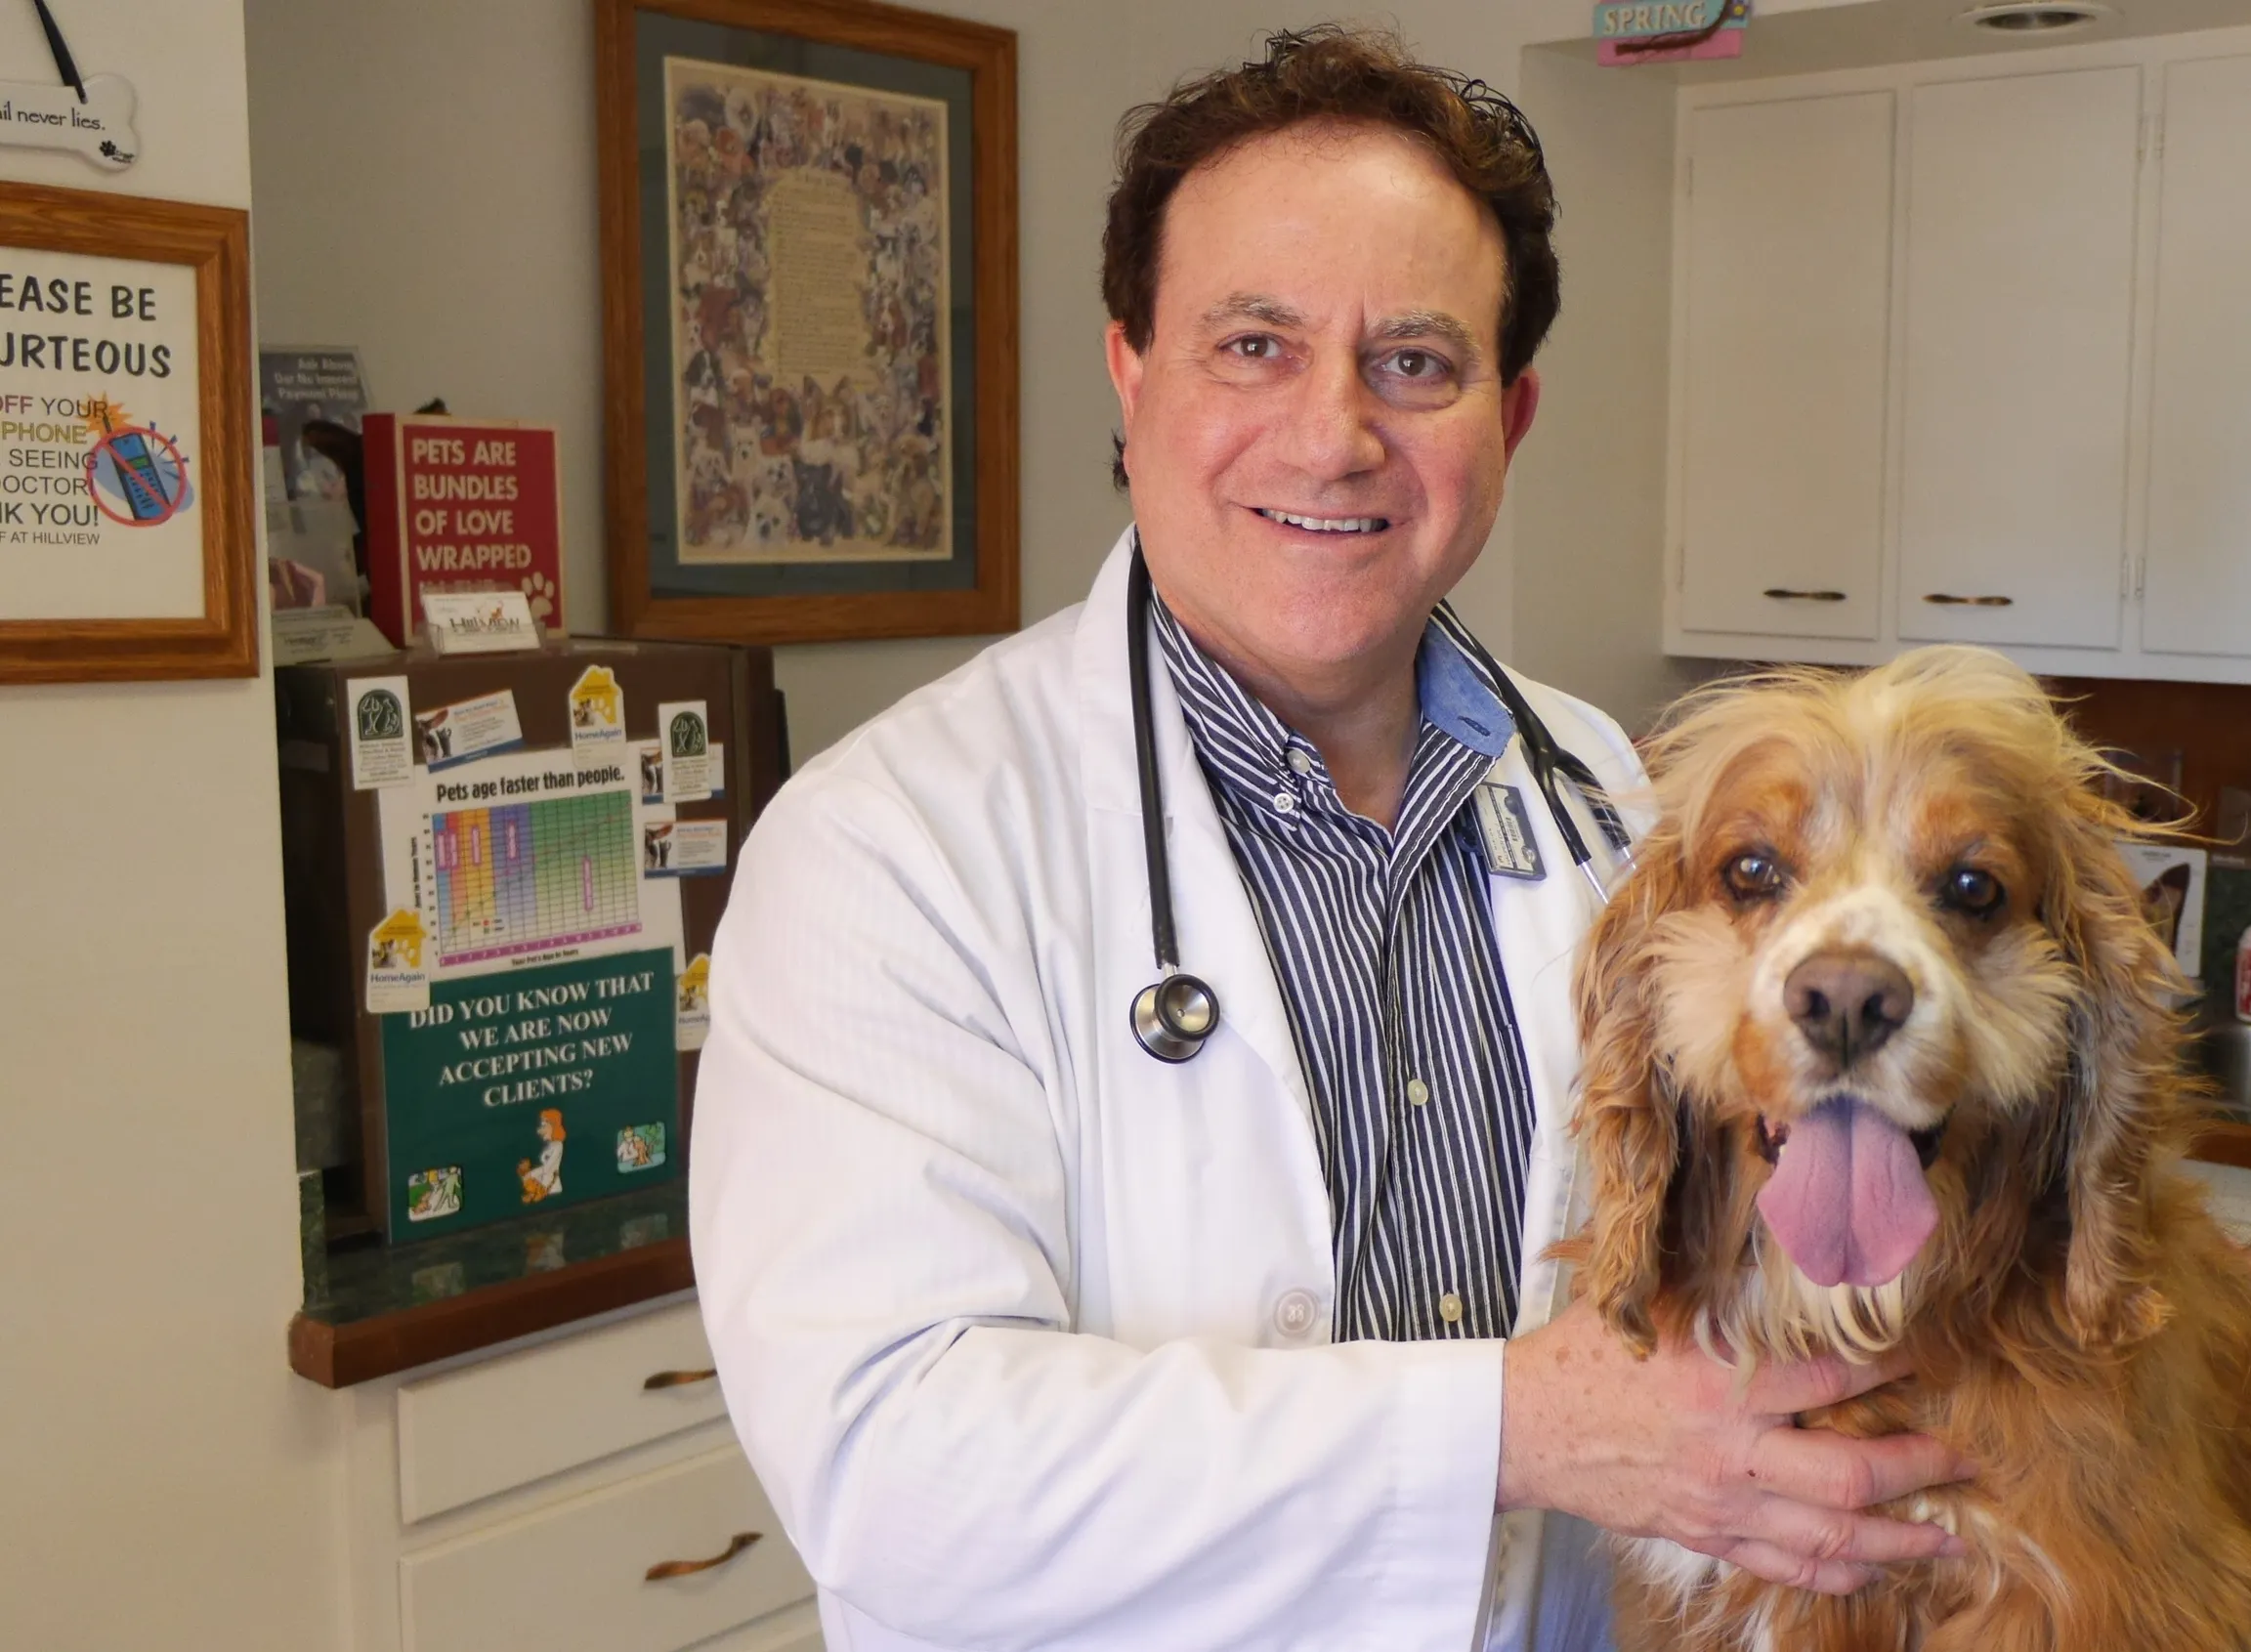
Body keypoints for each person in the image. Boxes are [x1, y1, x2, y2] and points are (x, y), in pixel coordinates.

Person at [691, 27, 1967, 1651]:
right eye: (1253, 344)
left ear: (1507, 416)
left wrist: (2114, 1292)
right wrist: (1512, 1427)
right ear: (1132, 371)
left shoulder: (1607, 795)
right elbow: (893, 1477)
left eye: (1415, 363)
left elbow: (1785, 1222)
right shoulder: (891, 849)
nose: (1332, 433)